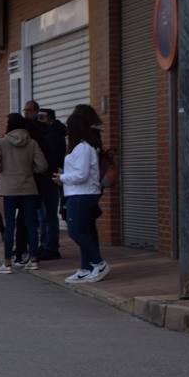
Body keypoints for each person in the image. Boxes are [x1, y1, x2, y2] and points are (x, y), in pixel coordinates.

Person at [0, 113, 47, 274]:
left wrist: (4, 170)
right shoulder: (32, 142)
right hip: (28, 188)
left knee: (9, 226)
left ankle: (7, 263)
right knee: (31, 225)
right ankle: (34, 260)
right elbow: (42, 166)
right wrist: (29, 171)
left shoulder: (2, 142)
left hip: (9, 189)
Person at [56, 114, 110, 283]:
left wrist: (62, 178)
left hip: (82, 194)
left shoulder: (84, 148)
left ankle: (99, 263)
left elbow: (82, 174)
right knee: (84, 231)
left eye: (69, 127)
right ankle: (85, 268)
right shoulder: (81, 147)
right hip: (78, 193)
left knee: (76, 231)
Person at [38, 107, 67, 260]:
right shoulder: (49, 133)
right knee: (44, 215)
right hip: (47, 177)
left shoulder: (54, 135)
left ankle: (51, 248)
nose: (39, 120)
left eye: (42, 117)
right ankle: (45, 245)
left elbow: (52, 158)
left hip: (50, 177)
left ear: (50, 118)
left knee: (48, 215)